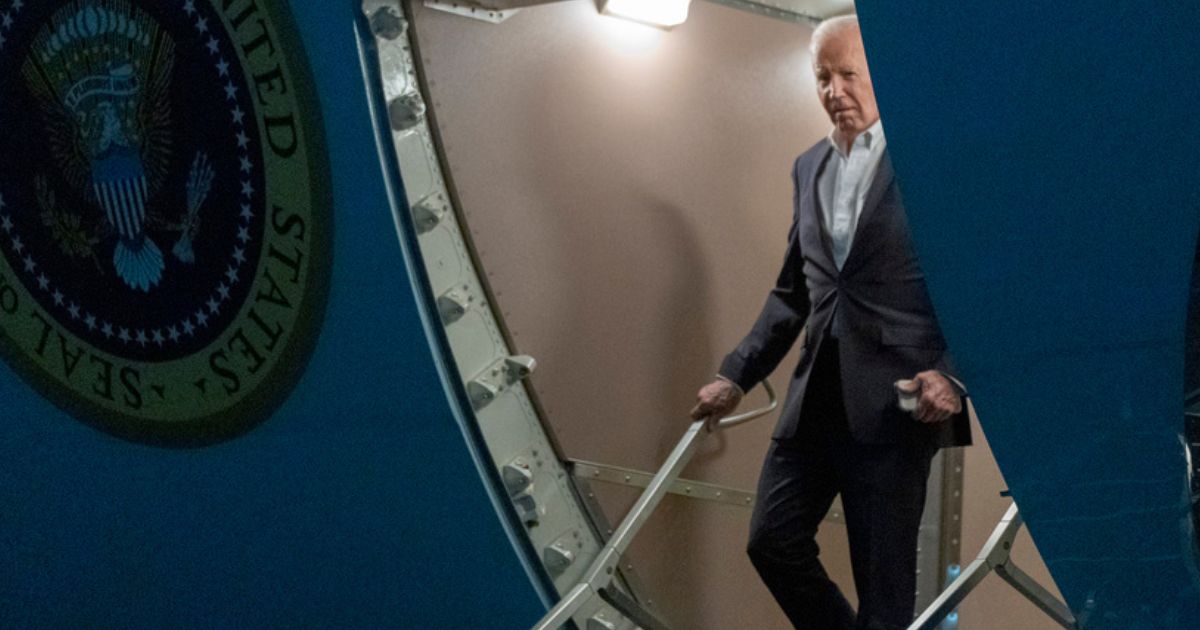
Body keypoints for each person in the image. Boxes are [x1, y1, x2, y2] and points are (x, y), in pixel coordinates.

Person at [689, 15, 972, 630]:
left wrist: (953, 376)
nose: (834, 89)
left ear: (883, 77)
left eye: (849, 74)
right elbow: (795, 292)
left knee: (884, 588)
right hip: (814, 397)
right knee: (772, 541)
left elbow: (981, 287)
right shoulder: (808, 165)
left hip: (897, 405)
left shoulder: (935, 158)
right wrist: (736, 374)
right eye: (823, 77)